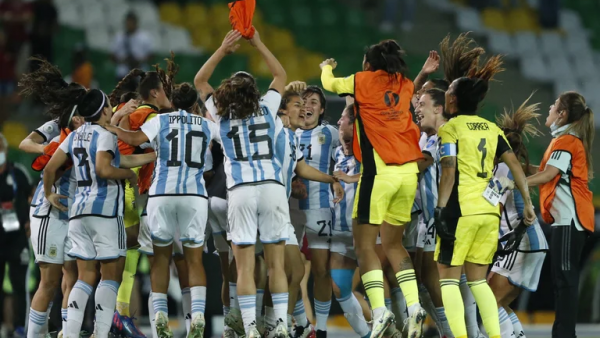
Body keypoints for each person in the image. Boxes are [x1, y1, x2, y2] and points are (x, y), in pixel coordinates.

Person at [320, 39, 426, 338]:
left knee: (365, 245)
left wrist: (326, 67)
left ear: (368, 64)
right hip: (408, 174)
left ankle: (379, 311)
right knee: (394, 245)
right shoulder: (404, 84)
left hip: (379, 172)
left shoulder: (362, 80)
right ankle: (414, 305)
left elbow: (329, 83)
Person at [195, 29, 290, 338]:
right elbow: (280, 74)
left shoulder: (220, 116)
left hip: (241, 192)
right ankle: (282, 327)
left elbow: (199, 81)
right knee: (275, 265)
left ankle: (249, 329)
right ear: (254, 92)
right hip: (273, 188)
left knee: (245, 266)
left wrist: (223, 48)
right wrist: (258, 43)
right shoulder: (267, 108)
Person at [434, 56, 536, 338]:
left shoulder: (450, 129)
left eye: (447, 92)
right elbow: (515, 166)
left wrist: (441, 209)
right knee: (479, 283)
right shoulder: (491, 129)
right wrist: (528, 203)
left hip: (460, 212)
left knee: (449, 282)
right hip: (488, 215)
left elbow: (449, 172)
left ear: (453, 100)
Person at [107, 83, 219, 338]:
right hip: (194, 196)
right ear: (193, 104)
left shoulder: (161, 120)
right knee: (194, 260)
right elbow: (224, 140)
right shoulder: (205, 124)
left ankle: (160, 317)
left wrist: (111, 125)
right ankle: (198, 316)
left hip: (162, 194)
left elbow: (134, 139)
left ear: (172, 101)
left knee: (160, 259)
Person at [42, 89, 154, 338]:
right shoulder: (105, 135)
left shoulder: (75, 135)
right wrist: (128, 178)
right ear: (105, 110)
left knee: (85, 276)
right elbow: (106, 169)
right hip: (104, 213)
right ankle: (101, 333)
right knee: (111, 275)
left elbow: (50, 168)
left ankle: (69, 333)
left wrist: (49, 194)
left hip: (78, 213)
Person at [17, 59, 89, 338]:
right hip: (50, 210)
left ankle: (66, 333)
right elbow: (24, 144)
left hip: (76, 209)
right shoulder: (55, 127)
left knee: (73, 276)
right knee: (49, 281)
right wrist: (49, 148)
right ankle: (35, 334)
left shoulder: (88, 128)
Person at [273, 89, 344, 338]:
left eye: (314, 102)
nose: (307, 107)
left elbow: (348, 152)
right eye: (303, 103)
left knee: (320, 270)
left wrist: (337, 179)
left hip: (319, 206)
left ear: (322, 110)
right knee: (287, 269)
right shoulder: (284, 131)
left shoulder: (331, 133)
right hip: (288, 208)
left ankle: (319, 328)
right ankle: (295, 322)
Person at [110, 67, 173, 338]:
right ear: (155, 93)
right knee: (126, 251)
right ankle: (116, 316)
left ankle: (120, 315)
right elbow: (118, 148)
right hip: (128, 188)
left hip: (131, 188)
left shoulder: (148, 114)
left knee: (130, 251)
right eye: (166, 89)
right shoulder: (146, 114)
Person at [525, 91, 594, 338]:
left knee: (565, 281)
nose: (549, 109)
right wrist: (520, 168)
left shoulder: (566, 141)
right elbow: (547, 171)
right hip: (567, 222)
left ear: (562, 114)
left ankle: (565, 335)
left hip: (569, 220)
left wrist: (517, 183)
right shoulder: (564, 141)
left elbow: (547, 175)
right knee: (562, 281)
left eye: (553, 106)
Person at [489, 95, 549, 338]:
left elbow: (494, 207)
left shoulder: (501, 171)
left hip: (522, 245)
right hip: (528, 244)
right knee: (498, 303)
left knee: (487, 303)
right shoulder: (509, 167)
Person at [412, 88, 453, 338]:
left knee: (431, 279)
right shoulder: (429, 136)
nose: (418, 109)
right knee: (422, 281)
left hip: (441, 216)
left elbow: (421, 164)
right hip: (429, 218)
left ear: (438, 108)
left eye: (423, 104)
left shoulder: (444, 135)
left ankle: (453, 332)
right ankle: (446, 330)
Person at [0, 132, 32, 337]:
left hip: (18, 238)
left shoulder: (18, 172)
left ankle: (22, 327)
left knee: (20, 285)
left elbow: (32, 195)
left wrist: (31, 221)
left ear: (6, 149)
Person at [111, 12, 154, 85]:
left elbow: (151, 55)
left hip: (140, 73)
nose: (129, 24)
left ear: (136, 22)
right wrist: (122, 60)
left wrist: (140, 61)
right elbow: (112, 55)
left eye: (131, 22)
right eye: (128, 22)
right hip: (123, 73)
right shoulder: (119, 37)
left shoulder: (144, 37)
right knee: (123, 95)